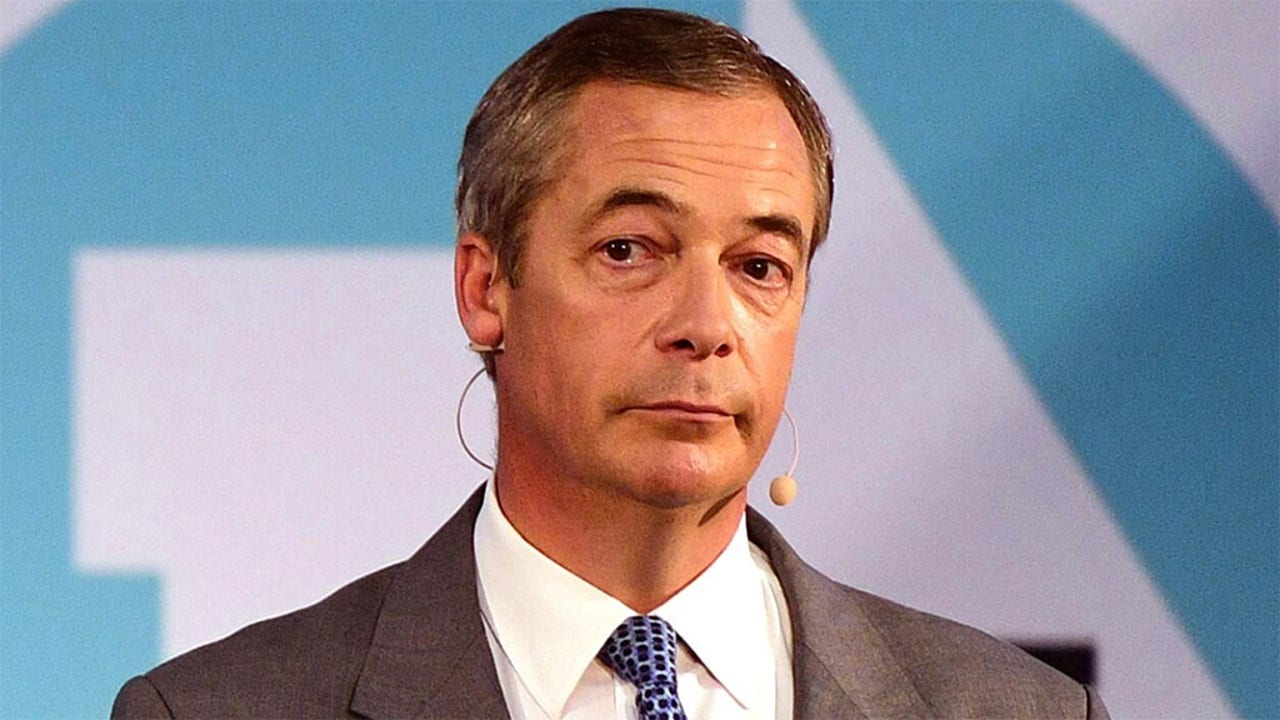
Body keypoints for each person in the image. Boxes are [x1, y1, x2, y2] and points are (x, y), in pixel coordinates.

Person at [113, 8, 1108, 719]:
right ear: (486, 288)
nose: (705, 326)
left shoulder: (1021, 713)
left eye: (759, 265)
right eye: (629, 250)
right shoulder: (216, 710)